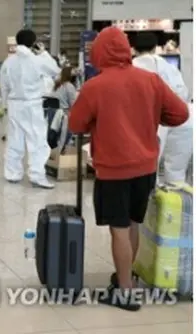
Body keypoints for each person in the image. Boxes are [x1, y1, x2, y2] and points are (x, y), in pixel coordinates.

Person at [68, 27, 189, 311]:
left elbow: (75, 125)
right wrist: (151, 121)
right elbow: (180, 113)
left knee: (119, 230)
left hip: (114, 169)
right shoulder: (151, 80)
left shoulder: (96, 86)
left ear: (99, 52)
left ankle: (125, 292)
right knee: (133, 224)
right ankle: (126, 279)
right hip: (146, 166)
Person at [0, 29, 61, 189]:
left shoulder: (8, 61)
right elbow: (55, 70)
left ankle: (12, 173)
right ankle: (36, 175)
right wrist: (44, 53)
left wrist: (5, 105)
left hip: (14, 104)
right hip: (32, 104)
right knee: (37, 140)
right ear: (33, 43)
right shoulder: (36, 60)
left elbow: (3, 86)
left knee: (14, 139)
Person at [133, 32, 192, 183]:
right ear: (155, 48)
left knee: (143, 171)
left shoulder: (130, 67)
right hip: (176, 122)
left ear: (133, 48)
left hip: (142, 124)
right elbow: (183, 94)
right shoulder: (169, 67)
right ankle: (172, 202)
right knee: (175, 174)